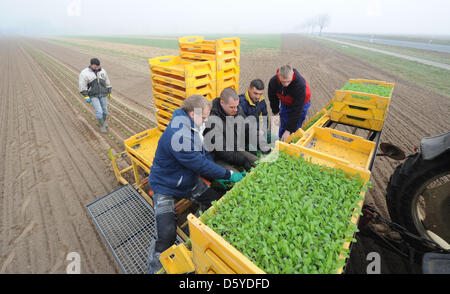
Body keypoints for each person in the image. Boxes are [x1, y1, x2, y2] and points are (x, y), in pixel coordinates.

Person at [146, 95, 245, 274]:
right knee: (166, 233)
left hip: (187, 181)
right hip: (165, 186)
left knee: (214, 202)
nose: (206, 121)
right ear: (193, 114)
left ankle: (194, 234)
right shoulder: (179, 134)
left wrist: (217, 174)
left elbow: (203, 154)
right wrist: (228, 174)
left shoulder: (193, 127)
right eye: (205, 117)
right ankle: (153, 269)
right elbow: (198, 164)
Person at [203, 88, 259, 172]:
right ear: (222, 103)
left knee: (259, 162)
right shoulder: (212, 119)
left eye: (237, 106)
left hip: (235, 148)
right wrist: (242, 160)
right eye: (232, 107)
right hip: (217, 157)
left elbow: (248, 128)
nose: (236, 109)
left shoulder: (237, 110)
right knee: (239, 179)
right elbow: (222, 150)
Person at [268, 65, 311, 142]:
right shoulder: (273, 82)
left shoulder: (299, 84)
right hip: (286, 101)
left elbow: (297, 110)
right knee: (283, 121)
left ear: (292, 75)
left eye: (288, 81)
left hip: (301, 103)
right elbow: (272, 97)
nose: (285, 84)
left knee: (295, 128)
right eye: (283, 81)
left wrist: (289, 130)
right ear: (279, 76)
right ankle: (281, 141)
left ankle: (292, 144)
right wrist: (275, 112)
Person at [238, 79, 273, 153]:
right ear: (249, 89)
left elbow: (264, 117)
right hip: (246, 137)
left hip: (259, 132)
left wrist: (263, 130)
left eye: (260, 94)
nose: (258, 97)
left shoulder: (261, 101)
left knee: (277, 140)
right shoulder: (240, 104)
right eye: (255, 93)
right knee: (261, 153)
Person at [78, 58, 112, 133]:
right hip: (93, 95)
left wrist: (109, 91)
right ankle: (102, 125)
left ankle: (103, 121)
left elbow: (107, 81)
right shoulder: (84, 73)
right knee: (99, 111)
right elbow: (82, 85)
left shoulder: (102, 71)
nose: (97, 68)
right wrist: (86, 95)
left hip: (103, 93)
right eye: (95, 67)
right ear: (91, 64)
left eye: (98, 66)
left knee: (105, 110)